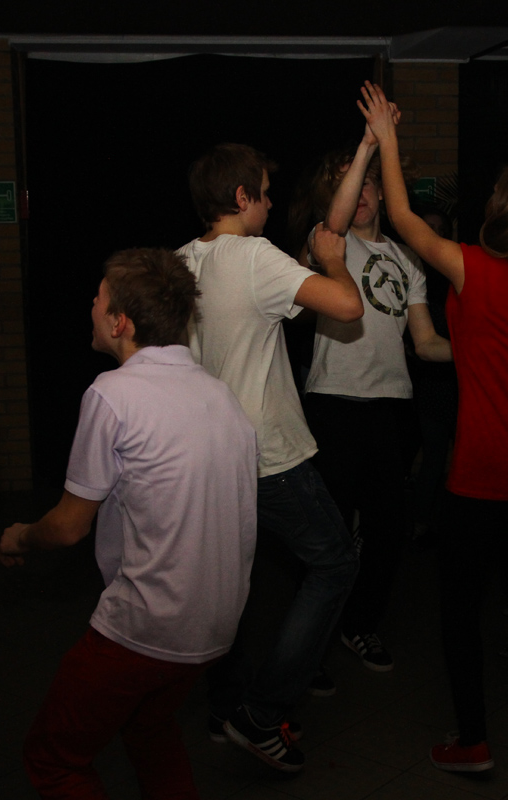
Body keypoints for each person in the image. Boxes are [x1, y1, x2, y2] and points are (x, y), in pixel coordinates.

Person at [359, 80, 508, 773]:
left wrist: (388, 137)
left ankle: (472, 742)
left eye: (501, 192)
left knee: (458, 608)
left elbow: (404, 217)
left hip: (485, 468)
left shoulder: (475, 268)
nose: (492, 195)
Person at [0, 249, 258, 797]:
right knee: (150, 728)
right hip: (215, 628)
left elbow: (69, 527)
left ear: (120, 322)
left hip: (146, 627)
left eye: (98, 300)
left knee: (53, 759)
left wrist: (20, 536)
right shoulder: (222, 396)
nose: (90, 307)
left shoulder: (113, 394)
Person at [176, 143, 361, 772]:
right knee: (335, 562)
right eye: (264, 190)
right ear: (241, 198)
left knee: (230, 586)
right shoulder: (254, 256)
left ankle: (225, 705)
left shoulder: (180, 261)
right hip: (268, 456)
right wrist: (334, 264)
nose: (271, 202)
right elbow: (347, 307)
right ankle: (261, 712)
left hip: (209, 459)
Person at [303, 128, 451, 673]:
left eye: (366, 181)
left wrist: (481, 349)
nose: (360, 191)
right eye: (346, 183)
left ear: (383, 190)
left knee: (388, 530)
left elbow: (426, 343)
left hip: (391, 407)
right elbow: (334, 225)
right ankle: (311, 644)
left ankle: (359, 625)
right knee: (331, 532)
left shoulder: (408, 259)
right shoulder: (328, 240)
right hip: (334, 402)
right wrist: (368, 146)